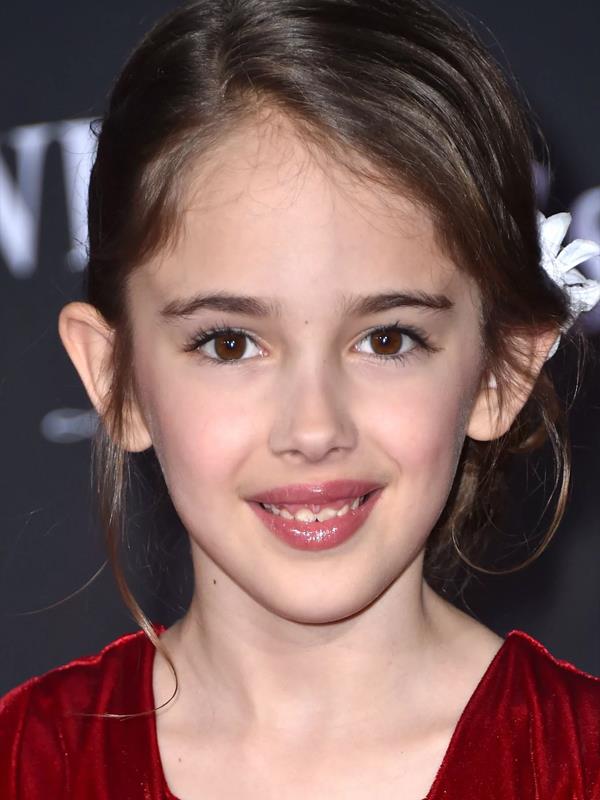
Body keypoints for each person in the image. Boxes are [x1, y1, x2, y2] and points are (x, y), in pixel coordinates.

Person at [1, 0, 600, 797]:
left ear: (501, 373)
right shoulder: (22, 764)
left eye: (387, 340)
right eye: (229, 343)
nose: (314, 429)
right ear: (116, 378)